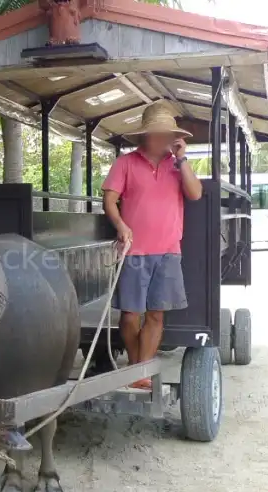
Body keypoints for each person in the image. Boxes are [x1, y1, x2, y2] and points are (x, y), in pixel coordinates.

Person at [102, 102, 204, 390]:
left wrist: (183, 160)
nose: (163, 139)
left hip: (169, 251)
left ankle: (138, 371)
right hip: (133, 251)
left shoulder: (177, 166)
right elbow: (109, 200)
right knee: (130, 315)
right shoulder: (125, 163)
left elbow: (195, 194)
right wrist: (121, 226)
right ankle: (138, 368)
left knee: (157, 314)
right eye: (157, 133)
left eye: (167, 134)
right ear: (145, 135)